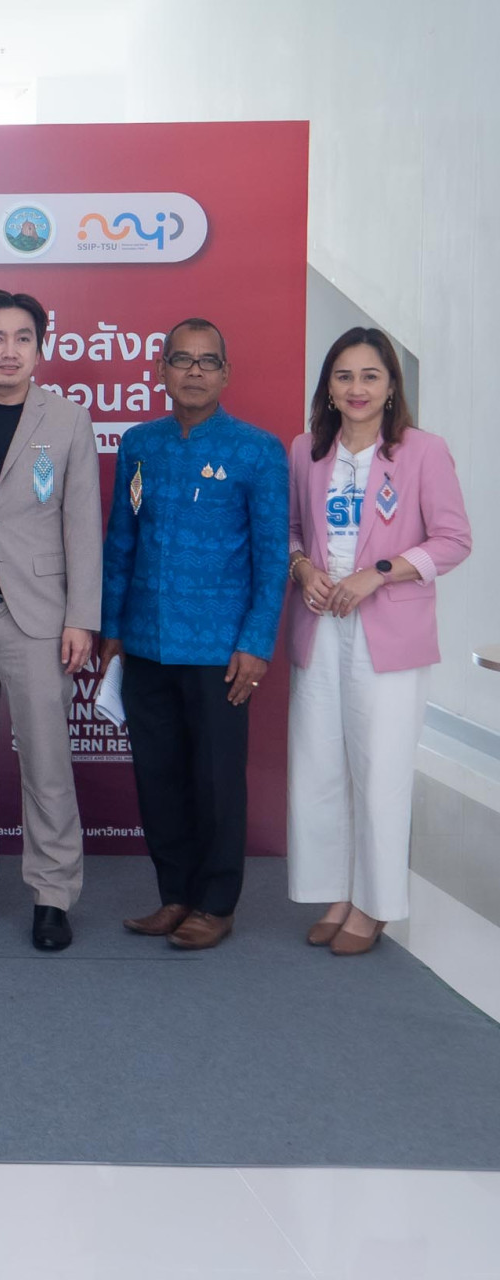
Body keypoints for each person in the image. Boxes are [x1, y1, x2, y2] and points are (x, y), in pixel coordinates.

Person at [99, 318, 287, 951]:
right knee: (159, 777)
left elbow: (271, 559)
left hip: (219, 650)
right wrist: (113, 627)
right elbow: (121, 540)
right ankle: (175, 896)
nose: (195, 371)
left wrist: (256, 643)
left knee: (215, 779)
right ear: (161, 371)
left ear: (226, 374)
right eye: (182, 359)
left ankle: (216, 903)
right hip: (145, 643)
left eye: (208, 361)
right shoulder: (140, 443)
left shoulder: (257, 450)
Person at [285, 329, 470, 955]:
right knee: (320, 764)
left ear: (392, 386)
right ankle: (337, 891)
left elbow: (454, 540)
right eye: (344, 376)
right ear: (328, 387)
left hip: (389, 633)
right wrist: (302, 568)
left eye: (370, 376)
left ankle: (375, 903)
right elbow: (290, 531)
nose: (356, 388)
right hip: (320, 626)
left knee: (380, 768)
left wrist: (380, 573)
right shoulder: (307, 450)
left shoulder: (423, 451)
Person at [0, 289, 102, 952]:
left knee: (47, 763)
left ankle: (53, 894)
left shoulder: (68, 419)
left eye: (23, 338)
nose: (10, 351)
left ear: (40, 347)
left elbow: (82, 523)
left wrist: (81, 616)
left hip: (40, 616)